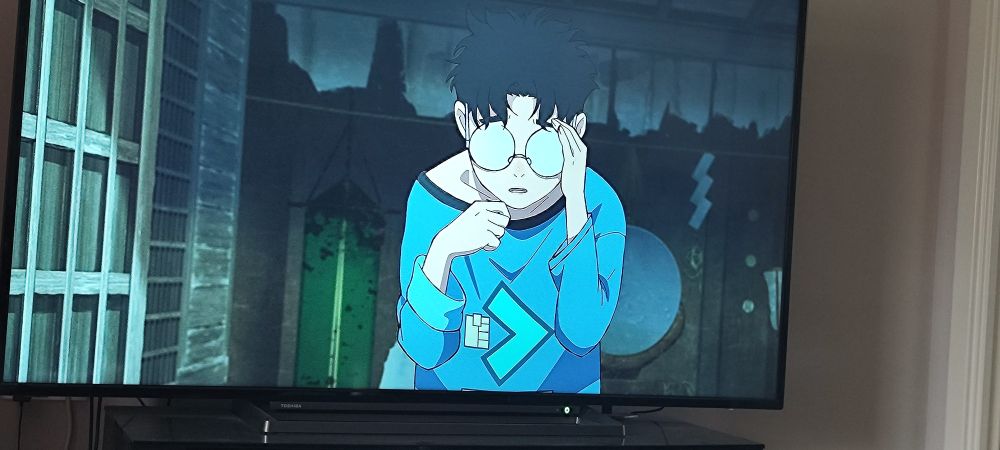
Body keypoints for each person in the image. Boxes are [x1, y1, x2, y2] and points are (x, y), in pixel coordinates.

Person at [395, 9, 626, 393]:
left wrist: (575, 206)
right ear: (465, 122)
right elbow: (424, 350)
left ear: (576, 131)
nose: (519, 168)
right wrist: (442, 251)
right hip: (446, 417)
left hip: (563, 418)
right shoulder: (433, 198)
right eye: (498, 141)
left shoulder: (596, 203)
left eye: (542, 145)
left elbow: (582, 333)